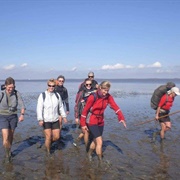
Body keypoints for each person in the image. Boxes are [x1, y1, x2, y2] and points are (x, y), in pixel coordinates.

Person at [80, 81, 126, 163]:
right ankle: (100, 162)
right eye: (104, 90)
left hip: (101, 120)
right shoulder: (93, 97)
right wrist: (83, 124)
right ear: (100, 88)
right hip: (91, 120)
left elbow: (115, 106)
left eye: (107, 90)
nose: (105, 92)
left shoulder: (108, 97)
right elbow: (85, 111)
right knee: (100, 141)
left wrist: (121, 117)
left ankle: (89, 154)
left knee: (95, 139)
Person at [37, 78, 67, 156]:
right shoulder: (42, 95)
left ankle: (48, 144)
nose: (51, 87)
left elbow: (60, 107)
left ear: (55, 86)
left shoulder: (57, 95)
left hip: (55, 119)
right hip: (46, 120)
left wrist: (64, 116)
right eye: (50, 85)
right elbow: (39, 108)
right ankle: (48, 152)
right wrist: (40, 119)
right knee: (48, 136)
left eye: (53, 86)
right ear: (47, 85)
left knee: (57, 137)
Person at [0, 77, 26, 163]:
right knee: (5, 137)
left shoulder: (16, 93)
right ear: (5, 86)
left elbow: (22, 105)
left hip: (13, 116)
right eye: (9, 87)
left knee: (11, 136)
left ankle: (9, 150)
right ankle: (7, 155)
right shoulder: (1, 93)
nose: (11, 89)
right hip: (3, 116)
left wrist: (22, 115)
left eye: (13, 87)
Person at [73, 78, 95, 148]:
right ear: (84, 85)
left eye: (90, 84)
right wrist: (76, 117)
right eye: (87, 84)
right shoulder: (81, 93)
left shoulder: (94, 92)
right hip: (82, 114)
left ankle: (77, 140)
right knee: (86, 130)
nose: (88, 86)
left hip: (91, 114)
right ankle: (87, 147)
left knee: (88, 130)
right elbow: (77, 104)